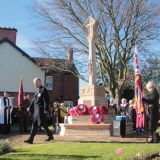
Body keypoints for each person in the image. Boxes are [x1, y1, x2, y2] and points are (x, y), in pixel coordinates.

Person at [24, 78, 53, 144]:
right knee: (35, 124)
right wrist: (29, 107)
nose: (34, 85)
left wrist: (45, 109)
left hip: (41, 110)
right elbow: (34, 101)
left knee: (42, 124)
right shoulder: (37, 91)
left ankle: (50, 135)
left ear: (39, 83)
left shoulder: (43, 90)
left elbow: (46, 101)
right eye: (34, 83)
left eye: (35, 83)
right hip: (36, 111)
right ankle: (30, 139)